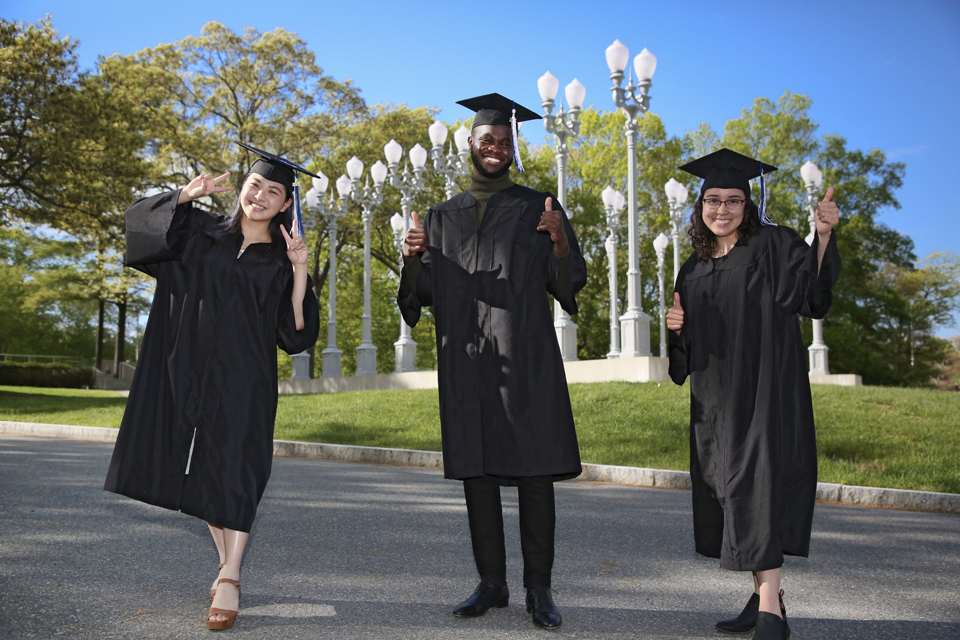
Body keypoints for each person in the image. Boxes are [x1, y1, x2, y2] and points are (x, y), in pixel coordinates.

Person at [104, 142, 320, 631]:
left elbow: (296, 334)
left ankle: (231, 575)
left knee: (238, 469)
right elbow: (142, 230)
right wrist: (182, 196)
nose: (260, 196)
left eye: (273, 192)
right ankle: (227, 566)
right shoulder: (201, 232)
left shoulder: (287, 257)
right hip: (188, 368)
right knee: (202, 467)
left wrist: (302, 270)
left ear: (287, 204)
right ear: (242, 186)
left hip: (247, 378)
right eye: (254, 185)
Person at [397, 93, 587, 631]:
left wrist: (559, 244)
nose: (496, 149)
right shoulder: (441, 216)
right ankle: (491, 583)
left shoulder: (539, 207)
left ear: (513, 149)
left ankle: (540, 590)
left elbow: (570, 286)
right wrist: (413, 259)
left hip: (526, 356)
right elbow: (418, 298)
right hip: (466, 360)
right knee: (476, 473)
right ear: (471, 145)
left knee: (534, 474)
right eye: (487, 141)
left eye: (504, 142)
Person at [665, 148, 841, 640]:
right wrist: (676, 328)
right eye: (713, 200)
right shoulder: (692, 267)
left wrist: (822, 236)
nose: (722, 210)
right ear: (700, 205)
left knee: (758, 489)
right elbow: (686, 350)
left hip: (766, 393)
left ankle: (771, 614)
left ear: (750, 205)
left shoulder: (775, 246)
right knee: (728, 491)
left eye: (734, 201)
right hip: (715, 403)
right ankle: (765, 596)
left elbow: (812, 296)